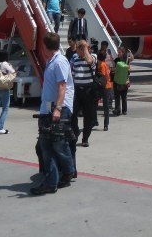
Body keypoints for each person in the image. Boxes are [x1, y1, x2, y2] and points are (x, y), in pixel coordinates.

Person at [30, 32, 75, 196]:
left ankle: (53, 181)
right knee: (52, 145)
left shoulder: (59, 62)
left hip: (57, 110)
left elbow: (62, 86)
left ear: (45, 47)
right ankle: (66, 173)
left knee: (49, 145)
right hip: (49, 109)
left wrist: (57, 108)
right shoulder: (52, 61)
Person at [70, 40, 98, 146]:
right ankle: (76, 130)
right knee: (72, 114)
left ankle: (85, 138)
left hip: (88, 91)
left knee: (88, 117)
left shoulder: (93, 56)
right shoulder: (75, 59)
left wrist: (85, 47)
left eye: (78, 48)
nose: (76, 50)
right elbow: (71, 74)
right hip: (77, 90)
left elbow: (90, 61)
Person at [0, 50, 15, 134]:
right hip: (4, 89)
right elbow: (13, 72)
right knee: (5, 108)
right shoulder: (5, 64)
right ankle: (0, 128)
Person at [95, 49, 113, 131]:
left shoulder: (101, 65)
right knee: (105, 107)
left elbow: (102, 76)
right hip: (106, 86)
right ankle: (106, 124)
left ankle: (97, 121)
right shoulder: (103, 64)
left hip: (103, 87)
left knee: (97, 104)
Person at [112, 49, 130, 116]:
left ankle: (123, 110)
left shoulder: (125, 60)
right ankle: (119, 110)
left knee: (123, 97)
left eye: (119, 52)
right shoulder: (119, 60)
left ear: (123, 53)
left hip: (121, 80)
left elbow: (114, 69)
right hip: (120, 80)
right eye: (118, 52)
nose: (118, 53)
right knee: (118, 97)